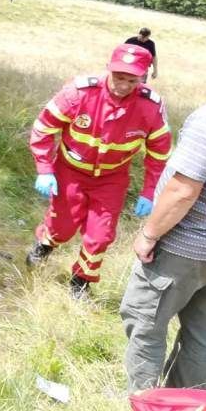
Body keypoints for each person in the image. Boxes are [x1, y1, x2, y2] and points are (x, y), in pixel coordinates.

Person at [26, 44, 172, 298]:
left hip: (111, 179)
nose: (123, 85)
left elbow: (159, 153)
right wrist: (44, 168)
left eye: (132, 80)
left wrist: (150, 192)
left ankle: (81, 280)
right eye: (118, 77)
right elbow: (43, 129)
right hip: (69, 171)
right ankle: (45, 245)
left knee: (101, 234)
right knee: (63, 225)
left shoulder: (151, 107)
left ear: (142, 77)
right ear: (109, 68)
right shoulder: (79, 93)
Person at [121, 103, 206, 392]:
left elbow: (183, 190)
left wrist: (149, 233)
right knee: (202, 338)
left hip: (182, 248)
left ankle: (143, 408)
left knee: (145, 322)